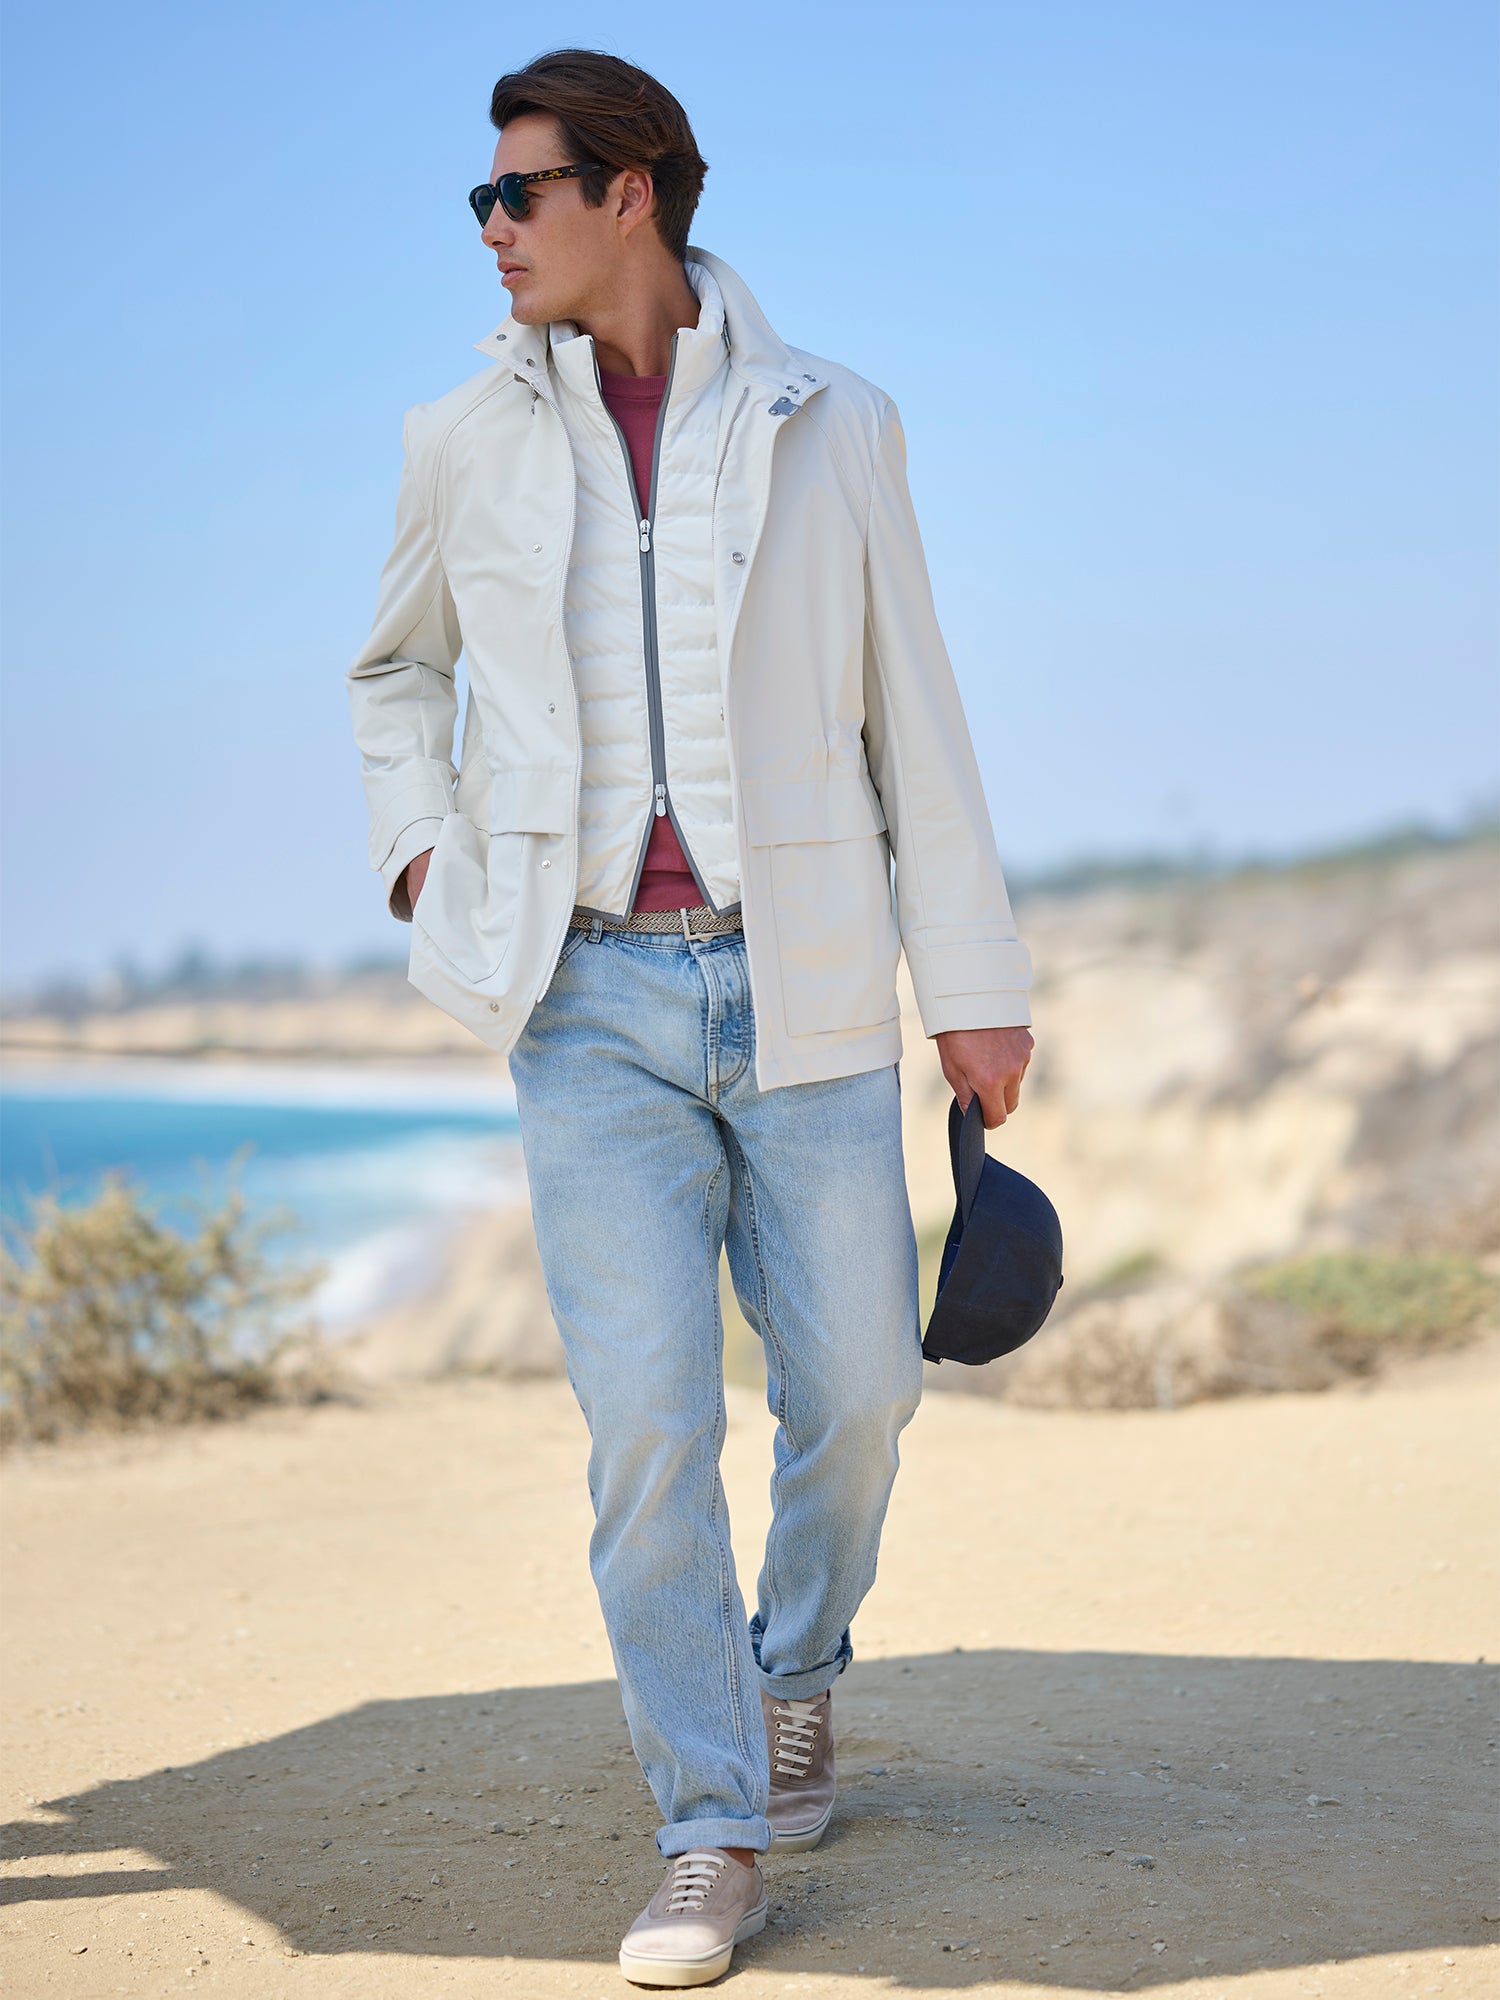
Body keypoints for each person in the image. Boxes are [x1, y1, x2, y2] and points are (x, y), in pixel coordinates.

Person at [346, 47, 1035, 1988]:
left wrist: (974, 990)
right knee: (649, 1432)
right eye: (484, 199)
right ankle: (710, 1825)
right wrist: (424, 853)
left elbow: (917, 712)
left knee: (863, 1396)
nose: (493, 230)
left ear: (630, 191)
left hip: (803, 977)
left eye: (521, 193)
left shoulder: (835, 421)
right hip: (582, 995)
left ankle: (793, 1669)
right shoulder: (457, 440)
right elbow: (393, 676)